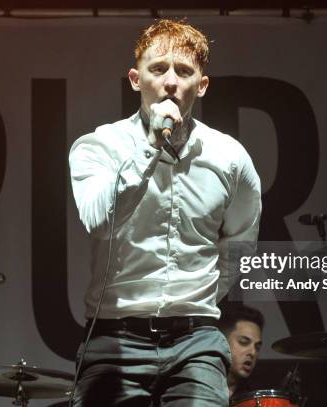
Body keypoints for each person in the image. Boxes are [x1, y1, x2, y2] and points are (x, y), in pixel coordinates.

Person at [68, 19, 262, 407]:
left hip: (196, 339)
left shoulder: (229, 157)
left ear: (201, 85)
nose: (170, 81)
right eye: (158, 69)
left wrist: (198, 300)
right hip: (114, 335)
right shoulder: (100, 146)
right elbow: (100, 222)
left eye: (184, 71)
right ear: (135, 79)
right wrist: (151, 147)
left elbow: (241, 241)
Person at [217, 304, 264, 398]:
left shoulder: (255, 397)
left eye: (257, 347)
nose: (253, 352)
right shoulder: (195, 386)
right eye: (244, 342)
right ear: (221, 341)